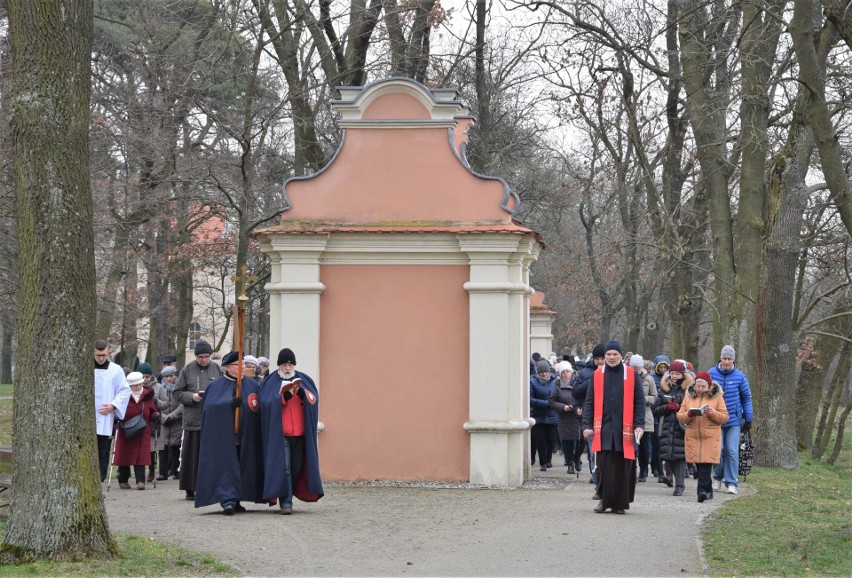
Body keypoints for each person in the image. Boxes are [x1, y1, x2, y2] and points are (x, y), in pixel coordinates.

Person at [195, 351, 264, 515]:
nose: (242, 368)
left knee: (243, 465)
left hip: (246, 435)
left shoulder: (252, 385)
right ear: (227, 367)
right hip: (224, 436)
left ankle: (238, 497)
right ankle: (227, 499)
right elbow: (210, 408)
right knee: (226, 466)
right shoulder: (216, 385)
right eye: (237, 365)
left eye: (243, 365)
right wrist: (229, 403)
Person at [258, 347, 324, 514]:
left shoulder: (304, 380)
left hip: (300, 434)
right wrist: (282, 398)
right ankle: (286, 502)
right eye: (284, 365)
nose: (287, 368)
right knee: (285, 469)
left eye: (289, 365)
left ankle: (289, 495)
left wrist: (302, 394)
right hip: (281, 434)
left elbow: (313, 400)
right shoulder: (270, 381)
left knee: (296, 468)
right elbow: (265, 403)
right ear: (279, 365)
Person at [582, 341, 644, 514]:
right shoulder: (597, 375)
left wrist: (639, 425)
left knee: (623, 468)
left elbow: (639, 402)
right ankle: (603, 500)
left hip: (626, 429)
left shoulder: (631, 374)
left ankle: (619, 504)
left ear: (621, 356)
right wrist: (586, 425)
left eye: (615, 354)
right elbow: (589, 402)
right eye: (608, 354)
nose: (611, 357)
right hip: (603, 429)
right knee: (604, 467)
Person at [173, 339, 223, 500]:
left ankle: (211, 487)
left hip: (212, 420)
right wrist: (191, 396)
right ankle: (190, 488)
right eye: (201, 357)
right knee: (191, 455)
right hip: (193, 419)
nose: (204, 360)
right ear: (196, 357)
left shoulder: (217, 369)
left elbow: (223, 388)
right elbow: (177, 392)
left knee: (211, 456)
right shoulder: (187, 370)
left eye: (207, 356)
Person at [708, 345, 754, 495]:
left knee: (732, 451)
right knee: (718, 450)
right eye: (724, 358)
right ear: (720, 358)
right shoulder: (711, 374)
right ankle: (717, 477)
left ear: (733, 359)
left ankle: (732, 482)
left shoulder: (740, 377)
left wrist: (748, 417)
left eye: (730, 358)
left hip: (733, 420)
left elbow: (746, 398)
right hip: (715, 419)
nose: (727, 361)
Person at [677, 371, 729, 501]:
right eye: (698, 386)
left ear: (709, 386)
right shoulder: (688, 396)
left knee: (706, 464)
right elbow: (680, 415)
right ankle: (708, 490)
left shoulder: (717, 397)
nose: (700, 389)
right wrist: (689, 414)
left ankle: (701, 491)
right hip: (693, 434)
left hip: (710, 435)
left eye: (703, 386)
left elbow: (724, 417)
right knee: (699, 465)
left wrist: (712, 413)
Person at [652, 359, 692, 496]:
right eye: (672, 373)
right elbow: (655, 409)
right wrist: (667, 407)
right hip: (667, 425)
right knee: (668, 455)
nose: (674, 376)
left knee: (680, 456)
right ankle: (671, 477)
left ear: (682, 375)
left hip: (683, 426)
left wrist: (681, 408)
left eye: (677, 374)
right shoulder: (663, 389)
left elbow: (693, 408)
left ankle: (680, 485)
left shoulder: (689, 389)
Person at [113, 371, 159, 490]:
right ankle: (123, 480)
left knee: (141, 456)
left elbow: (152, 410)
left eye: (139, 384)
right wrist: (116, 416)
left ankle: (140, 481)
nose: (138, 387)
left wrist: (155, 415)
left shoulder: (147, 396)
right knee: (124, 454)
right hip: (126, 429)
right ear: (129, 386)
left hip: (143, 429)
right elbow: (117, 408)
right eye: (135, 385)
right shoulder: (124, 395)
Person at [94, 340, 130, 482]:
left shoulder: (116, 370)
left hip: (105, 414)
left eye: (103, 355)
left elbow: (124, 390)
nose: (101, 358)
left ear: (108, 352)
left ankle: (101, 475)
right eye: (98, 355)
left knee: (103, 447)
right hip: (88, 416)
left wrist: (114, 405)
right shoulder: (85, 368)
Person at [573, 343, 606, 484]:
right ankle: (595, 475)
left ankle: (604, 477)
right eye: (597, 358)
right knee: (593, 449)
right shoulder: (585, 373)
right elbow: (575, 392)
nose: (599, 361)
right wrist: (593, 379)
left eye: (602, 358)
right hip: (591, 414)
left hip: (608, 416)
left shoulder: (615, 373)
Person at [548, 361, 581, 474]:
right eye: (564, 372)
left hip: (578, 416)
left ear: (572, 372)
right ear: (561, 374)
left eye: (568, 371)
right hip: (565, 418)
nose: (566, 374)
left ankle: (577, 459)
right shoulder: (557, 386)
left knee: (581, 441)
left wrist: (580, 406)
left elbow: (583, 396)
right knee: (567, 442)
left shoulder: (578, 383)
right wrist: (563, 407)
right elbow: (551, 402)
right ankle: (570, 463)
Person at [629, 354, 657, 482]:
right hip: (629, 416)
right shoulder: (626, 377)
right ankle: (631, 470)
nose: (635, 371)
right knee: (630, 446)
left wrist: (642, 399)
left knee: (643, 447)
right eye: (633, 368)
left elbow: (655, 397)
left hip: (645, 416)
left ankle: (644, 469)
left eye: (637, 368)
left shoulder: (649, 380)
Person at [139, 362, 167, 483]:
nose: (145, 379)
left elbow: (166, 404)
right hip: (139, 420)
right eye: (143, 376)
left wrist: (156, 401)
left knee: (152, 448)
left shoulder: (159, 387)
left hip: (153, 421)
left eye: (147, 376)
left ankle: (151, 470)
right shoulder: (135, 386)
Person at [530, 359, 558, 471]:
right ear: (538, 372)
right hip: (538, 415)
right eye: (542, 372)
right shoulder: (532, 381)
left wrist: (554, 404)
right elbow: (530, 399)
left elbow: (558, 396)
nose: (544, 374)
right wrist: (546, 404)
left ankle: (549, 460)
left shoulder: (555, 381)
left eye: (546, 372)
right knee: (541, 440)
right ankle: (543, 463)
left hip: (552, 415)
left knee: (551, 439)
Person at [157, 365, 183, 480]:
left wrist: (172, 416)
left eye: (171, 376)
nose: (169, 379)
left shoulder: (180, 387)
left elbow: (183, 404)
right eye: (166, 377)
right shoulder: (160, 389)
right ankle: (162, 472)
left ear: (175, 376)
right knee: (163, 448)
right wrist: (163, 417)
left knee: (176, 447)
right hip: (163, 421)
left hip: (177, 421)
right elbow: (157, 405)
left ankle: (175, 471)